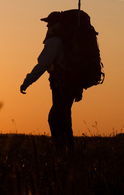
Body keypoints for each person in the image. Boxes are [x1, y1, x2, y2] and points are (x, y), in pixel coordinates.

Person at [20, 10, 93, 153]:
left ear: (53, 23)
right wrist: (78, 88)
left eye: (48, 23)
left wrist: (27, 81)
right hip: (71, 85)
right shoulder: (68, 40)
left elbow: (42, 64)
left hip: (61, 86)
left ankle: (60, 152)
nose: (47, 27)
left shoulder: (55, 40)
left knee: (54, 119)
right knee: (65, 119)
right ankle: (69, 151)